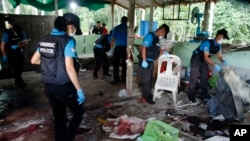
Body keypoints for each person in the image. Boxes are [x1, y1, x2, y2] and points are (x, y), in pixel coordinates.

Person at [31, 14, 85, 141]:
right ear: (70, 26)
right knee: (78, 112)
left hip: (48, 87)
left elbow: (34, 60)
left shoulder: (45, 39)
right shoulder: (67, 40)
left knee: (59, 116)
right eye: (74, 28)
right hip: (63, 87)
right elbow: (70, 68)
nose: (73, 30)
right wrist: (79, 89)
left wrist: (51, 65)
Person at [188, 28, 230, 103]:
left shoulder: (218, 46)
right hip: (196, 59)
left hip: (204, 60)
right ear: (218, 36)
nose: (223, 40)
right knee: (194, 77)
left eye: (224, 39)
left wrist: (223, 61)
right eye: (223, 38)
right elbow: (206, 58)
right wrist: (215, 66)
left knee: (204, 77)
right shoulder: (207, 43)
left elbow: (219, 56)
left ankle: (204, 94)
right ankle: (191, 96)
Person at [139, 24, 170, 104]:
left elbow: (156, 50)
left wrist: (164, 52)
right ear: (162, 31)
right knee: (146, 79)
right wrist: (144, 60)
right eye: (163, 34)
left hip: (150, 61)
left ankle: (148, 94)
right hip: (146, 61)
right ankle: (146, 96)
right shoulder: (150, 36)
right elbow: (144, 48)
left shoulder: (156, 39)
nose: (162, 36)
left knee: (149, 78)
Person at [1, 19, 28, 87]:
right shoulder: (7, 33)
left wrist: (19, 45)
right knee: (16, 68)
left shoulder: (21, 32)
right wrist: (4, 55)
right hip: (11, 53)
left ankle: (17, 81)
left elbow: (26, 42)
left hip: (19, 51)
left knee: (21, 67)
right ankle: (20, 82)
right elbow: (2, 45)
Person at [110, 16, 128, 84]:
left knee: (115, 64)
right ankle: (123, 78)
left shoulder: (116, 28)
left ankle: (116, 79)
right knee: (124, 64)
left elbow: (112, 40)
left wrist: (111, 50)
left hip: (118, 48)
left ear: (121, 20)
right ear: (127, 21)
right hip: (125, 49)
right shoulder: (128, 29)